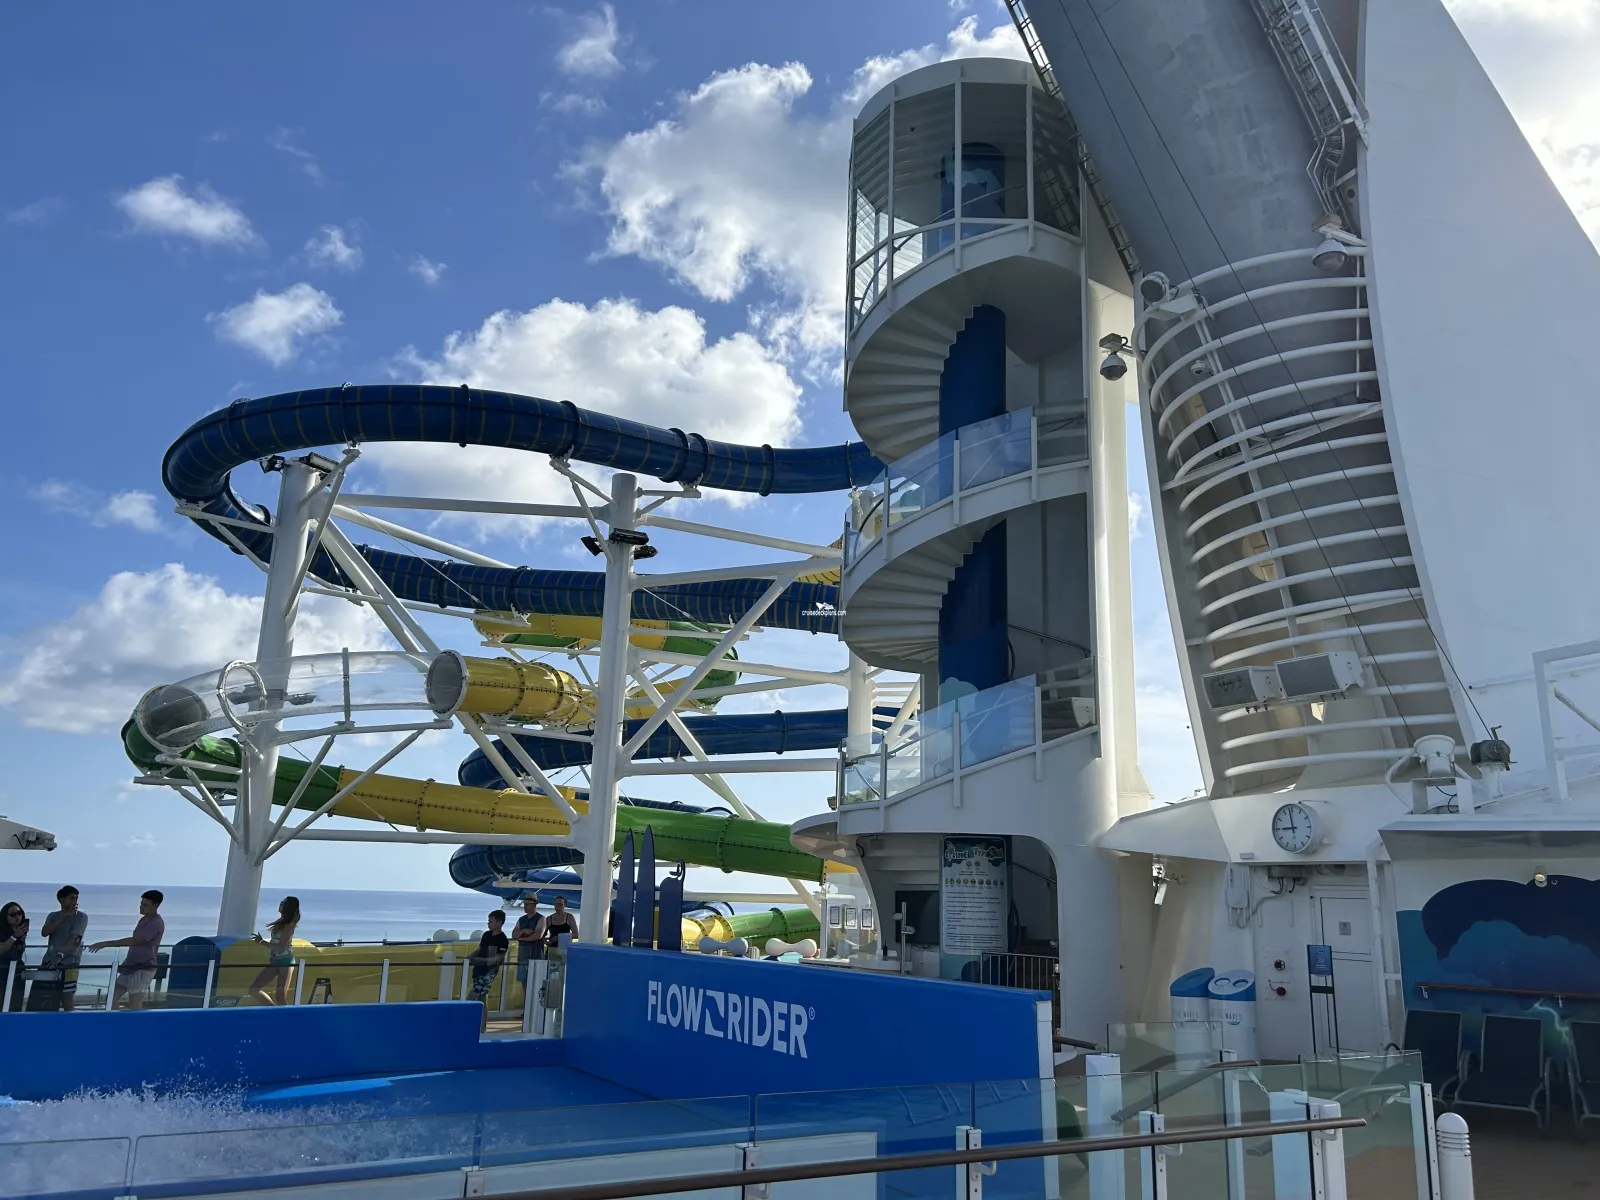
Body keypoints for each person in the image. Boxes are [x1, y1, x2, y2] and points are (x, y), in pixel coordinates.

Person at [89, 890, 165, 1010]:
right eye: (141, 904)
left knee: (134, 1004)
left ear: (155, 905)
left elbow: (136, 940)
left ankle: (133, 1022)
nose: (141, 907)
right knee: (111, 998)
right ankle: (118, 1020)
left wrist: (106, 944)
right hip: (131, 965)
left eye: (145, 905)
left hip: (143, 967)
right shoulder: (143, 920)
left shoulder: (156, 923)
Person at [31, 886, 88, 1012]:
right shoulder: (53, 916)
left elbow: (75, 939)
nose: (74, 902)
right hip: (49, 961)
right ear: (61, 900)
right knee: (43, 996)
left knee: (67, 998)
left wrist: (60, 955)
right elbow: (45, 932)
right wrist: (63, 917)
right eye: (71, 898)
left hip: (69, 963)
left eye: (76, 898)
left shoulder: (81, 917)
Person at [249, 896, 301, 1005]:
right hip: (275, 960)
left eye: (283, 903)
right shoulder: (281, 922)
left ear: (287, 907)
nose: (280, 904)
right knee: (254, 989)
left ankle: (285, 1015)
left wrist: (261, 942)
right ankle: (273, 1010)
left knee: (280, 995)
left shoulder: (288, 925)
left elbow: (281, 947)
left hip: (286, 961)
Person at [468, 910, 509, 1030]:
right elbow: (480, 949)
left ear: (499, 923)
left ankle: (469, 1025)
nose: (488, 924)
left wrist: (477, 960)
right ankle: (482, 1028)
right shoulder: (486, 935)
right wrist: (470, 956)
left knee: (471, 998)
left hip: (488, 973)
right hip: (478, 970)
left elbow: (497, 959)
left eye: (491, 921)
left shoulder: (503, 940)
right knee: (482, 999)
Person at [0, 902, 28, 1012]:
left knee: (15, 1002)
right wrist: (14, 937)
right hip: (3, 970)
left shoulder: (20, 932)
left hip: (17, 970)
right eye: (12, 915)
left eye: (19, 913)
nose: (17, 917)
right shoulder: (3, 932)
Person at [512, 896, 546, 989]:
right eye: (524, 904)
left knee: (536, 982)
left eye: (527, 904)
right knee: (524, 981)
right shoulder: (521, 919)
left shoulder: (541, 918)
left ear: (534, 905)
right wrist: (524, 931)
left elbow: (538, 935)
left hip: (536, 956)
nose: (524, 906)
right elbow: (514, 934)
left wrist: (522, 938)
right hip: (523, 955)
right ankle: (525, 998)